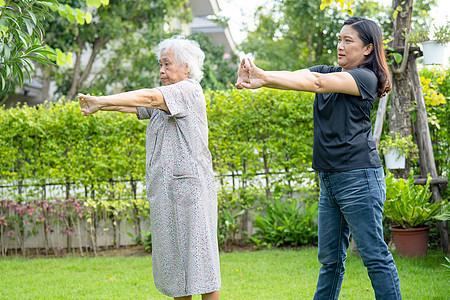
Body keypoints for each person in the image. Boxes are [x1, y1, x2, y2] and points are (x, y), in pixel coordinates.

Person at [236, 17, 401, 300]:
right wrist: (259, 77)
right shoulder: (329, 71)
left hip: (358, 178)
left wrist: (263, 77)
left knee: (374, 256)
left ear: (368, 49)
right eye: (339, 39)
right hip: (330, 179)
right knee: (330, 260)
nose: (340, 45)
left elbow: (316, 83)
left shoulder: (365, 78)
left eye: (348, 41)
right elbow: (297, 77)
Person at [78, 36, 220, 300]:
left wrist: (102, 98)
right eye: (160, 65)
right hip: (169, 194)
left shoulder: (186, 90)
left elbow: (149, 96)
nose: (161, 71)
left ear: (186, 68)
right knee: (177, 269)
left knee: (202, 268)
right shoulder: (166, 98)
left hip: (190, 194)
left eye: (167, 65)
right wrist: (101, 105)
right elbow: (136, 105)